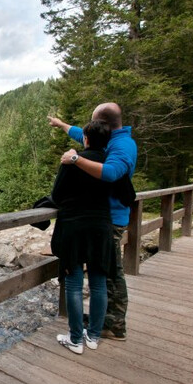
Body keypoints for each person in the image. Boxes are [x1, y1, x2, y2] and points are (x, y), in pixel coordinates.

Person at [48, 102, 137, 340]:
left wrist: (75, 159)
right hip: (100, 220)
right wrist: (61, 125)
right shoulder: (108, 139)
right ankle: (99, 327)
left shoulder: (122, 146)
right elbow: (83, 133)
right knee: (102, 276)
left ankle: (115, 325)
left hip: (109, 220)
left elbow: (110, 173)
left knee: (111, 274)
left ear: (103, 126)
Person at [51, 120, 116, 354]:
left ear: (85, 139)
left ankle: (76, 339)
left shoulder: (72, 160)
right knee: (99, 285)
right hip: (101, 228)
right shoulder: (111, 163)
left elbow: (56, 195)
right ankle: (94, 336)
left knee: (74, 284)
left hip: (74, 228)